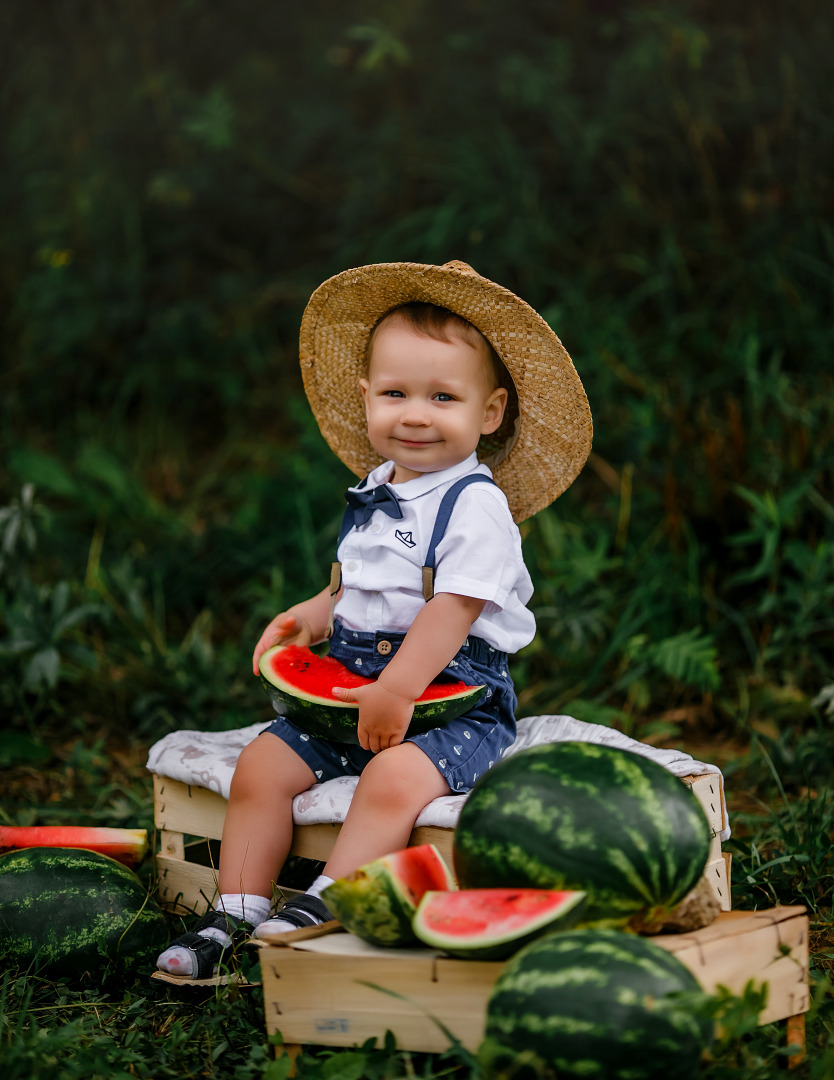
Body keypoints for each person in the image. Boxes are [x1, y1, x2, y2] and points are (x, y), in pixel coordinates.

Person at [156, 260, 592, 978]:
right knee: (263, 766)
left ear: (490, 413)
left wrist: (398, 689)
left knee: (392, 778)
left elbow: (451, 609)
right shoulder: (379, 489)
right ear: (366, 399)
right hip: (358, 690)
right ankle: (234, 911)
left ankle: (329, 897)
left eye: (443, 397)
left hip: (456, 705)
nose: (415, 414)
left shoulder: (475, 506)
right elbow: (365, 590)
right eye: (395, 393)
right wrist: (312, 616)